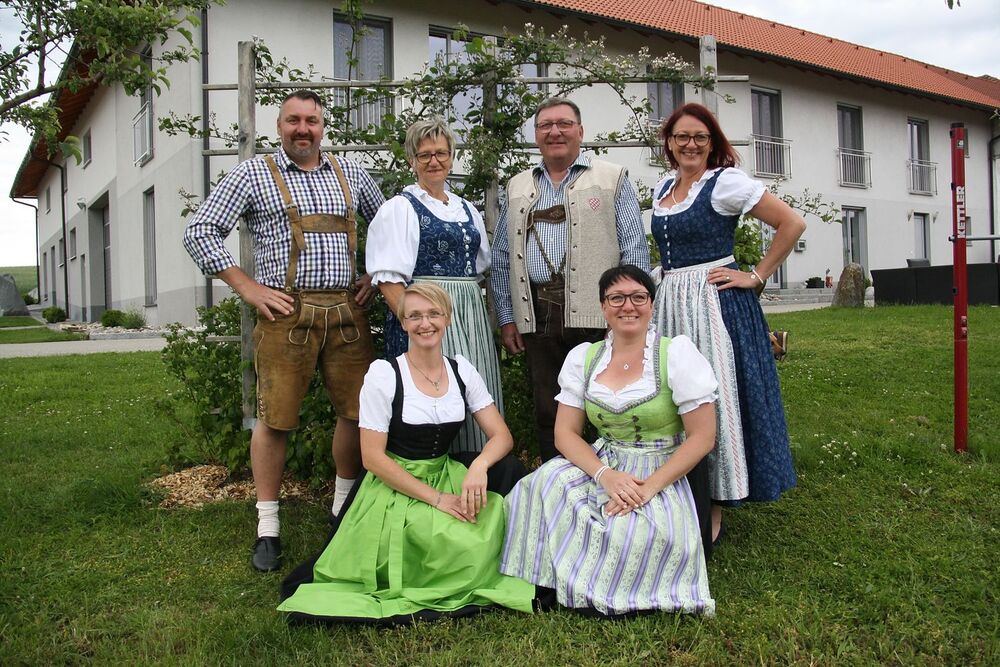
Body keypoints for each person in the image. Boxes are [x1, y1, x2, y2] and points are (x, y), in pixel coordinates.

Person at [182, 90, 385, 572]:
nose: (303, 129)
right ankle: (268, 527)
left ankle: (341, 510)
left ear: (323, 126)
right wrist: (247, 287)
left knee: (357, 412)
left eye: (311, 120)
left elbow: (391, 227)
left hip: (348, 311)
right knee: (274, 419)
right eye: (293, 120)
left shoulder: (352, 173)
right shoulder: (254, 173)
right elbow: (199, 231)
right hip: (285, 313)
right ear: (279, 126)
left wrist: (376, 275)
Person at [278, 283, 535, 624]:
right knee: (442, 537)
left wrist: (479, 467)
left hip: (444, 472)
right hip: (395, 485)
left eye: (433, 314)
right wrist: (438, 499)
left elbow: (501, 436)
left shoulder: (461, 370)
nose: (425, 323)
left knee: (501, 484)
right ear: (403, 323)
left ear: (447, 318)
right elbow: (373, 459)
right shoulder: (385, 375)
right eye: (414, 316)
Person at [500, 265, 717, 617]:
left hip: (663, 469)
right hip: (605, 463)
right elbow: (564, 433)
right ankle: (548, 577)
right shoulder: (585, 358)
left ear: (651, 304)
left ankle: (596, 582)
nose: (627, 306)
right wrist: (605, 475)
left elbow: (703, 437)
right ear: (603, 306)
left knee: (631, 533)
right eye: (616, 298)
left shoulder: (676, 355)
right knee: (543, 483)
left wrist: (647, 489)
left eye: (638, 297)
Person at [649, 102, 806, 544]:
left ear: (712, 142)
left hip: (713, 304)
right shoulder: (664, 186)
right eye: (682, 136)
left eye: (700, 137)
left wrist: (755, 276)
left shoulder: (725, 183)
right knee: (675, 392)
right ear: (669, 143)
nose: (691, 144)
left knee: (713, 395)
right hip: (672, 302)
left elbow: (792, 223)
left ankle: (716, 499)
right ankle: (681, 485)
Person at [490, 97, 650, 462]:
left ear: (580, 131)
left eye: (564, 123)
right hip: (537, 313)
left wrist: (629, 312)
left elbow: (634, 250)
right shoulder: (517, 186)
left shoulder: (612, 178)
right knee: (548, 407)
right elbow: (501, 258)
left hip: (602, 314)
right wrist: (508, 317)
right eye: (545, 125)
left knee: (606, 402)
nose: (555, 132)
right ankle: (557, 480)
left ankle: (612, 477)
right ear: (536, 135)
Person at [366, 117, 504, 457]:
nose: (434, 161)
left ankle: (479, 467)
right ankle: (431, 470)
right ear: (412, 161)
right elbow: (388, 281)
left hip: (467, 314)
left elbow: (479, 269)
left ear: (452, 157)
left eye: (441, 153)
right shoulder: (400, 208)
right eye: (424, 154)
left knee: (474, 386)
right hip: (425, 315)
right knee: (433, 390)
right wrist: (417, 324)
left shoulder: (466, 209)